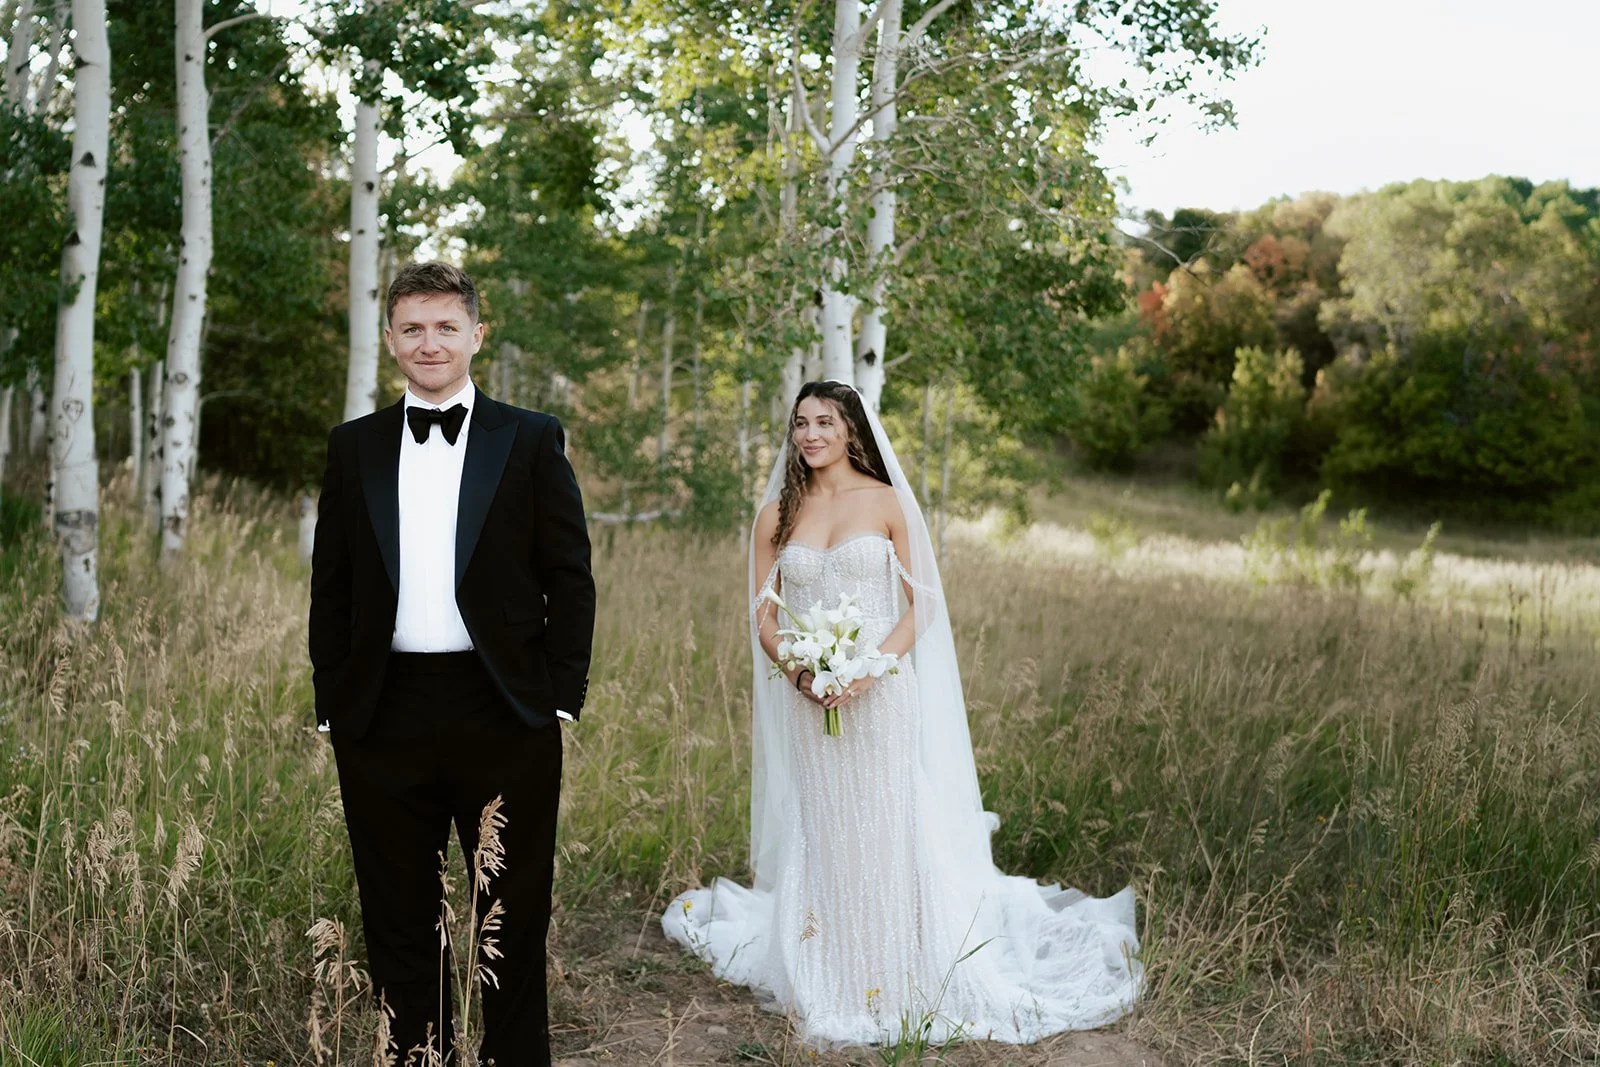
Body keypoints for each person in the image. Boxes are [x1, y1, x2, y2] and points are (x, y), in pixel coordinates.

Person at [662, 380, 1141, 1046]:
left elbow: (923, 605)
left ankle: (898, 967)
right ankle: (828, 968)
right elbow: (763, 614)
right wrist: (801, 670)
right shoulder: (775, 513)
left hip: (880, 695)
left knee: (887, 823)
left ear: (852, 429)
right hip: (809, 699)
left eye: (824, 421)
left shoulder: (887, 502)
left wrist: (866, 670)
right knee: (825, 824)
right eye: (800, 423)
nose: (809, 434)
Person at [309, 262, 595, 1066]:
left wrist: (559, 698)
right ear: (391, 340)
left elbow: (570, 575)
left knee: (511, 915)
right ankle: (419, 1056)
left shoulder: (531, 436)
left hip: (503, 708)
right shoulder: (353, 445)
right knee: (398, 918)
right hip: (381, 711)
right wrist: (335, 702)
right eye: (412, 328)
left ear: (477, 334)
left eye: (445, 326)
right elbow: (330, 585)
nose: (428, 342)